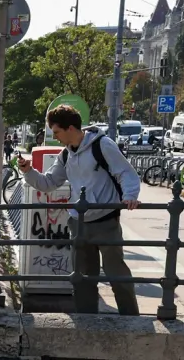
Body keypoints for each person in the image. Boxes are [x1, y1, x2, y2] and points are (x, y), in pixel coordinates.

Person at [16, 105, 143, 315]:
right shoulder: (65, 155)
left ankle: (131, 319)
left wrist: (130, 196)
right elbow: (48, 183)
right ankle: (87, 319)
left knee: (117, 274)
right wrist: (28, 171)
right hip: (78, 222)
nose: (55, 137)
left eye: (57, 132)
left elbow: (126, 173)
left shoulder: (102, 145)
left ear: (71, 128)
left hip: (105, 219)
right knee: (82, 278)